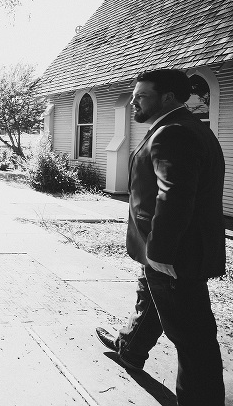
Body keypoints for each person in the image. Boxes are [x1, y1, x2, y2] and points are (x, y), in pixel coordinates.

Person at [95, 69, 226, 405]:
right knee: (150, 296)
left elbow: (175, 196)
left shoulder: (174, 133)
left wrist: (160, 252)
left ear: (167, 97)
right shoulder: (185, 126)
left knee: (193, 337)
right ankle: (130, 349)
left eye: (142, 96)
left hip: (175, 252)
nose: (134, 102)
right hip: (165, 246)